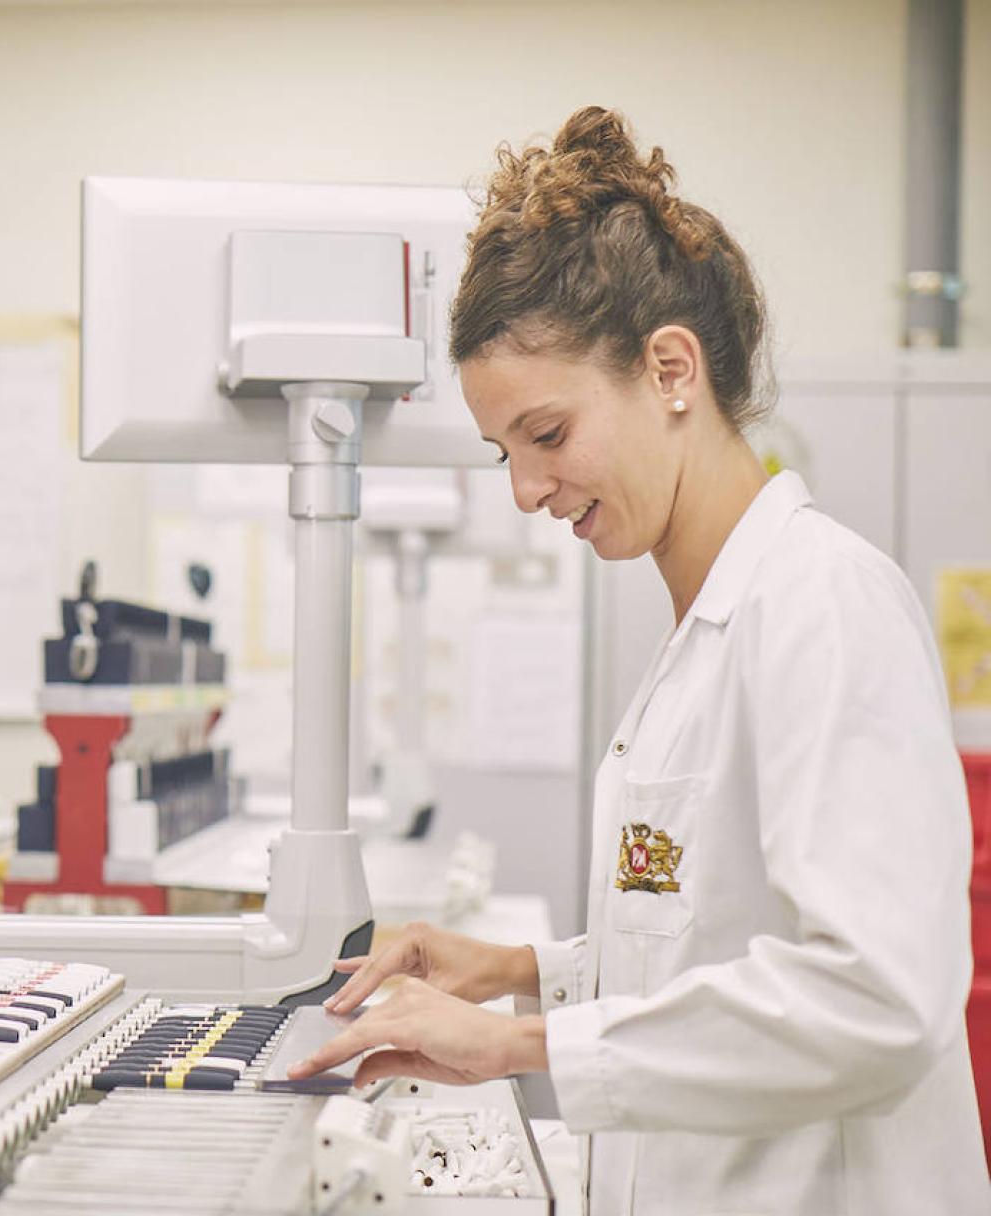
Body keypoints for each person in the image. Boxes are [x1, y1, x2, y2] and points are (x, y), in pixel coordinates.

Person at [289, 106, 990, 1214]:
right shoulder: (700, 634)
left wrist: (518, 1041)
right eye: (504, 451)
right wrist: (517, 969)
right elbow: (712, 942)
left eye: (549, 435)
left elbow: (877, 998)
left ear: (672, 368)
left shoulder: (822, 606)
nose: (524, 489)